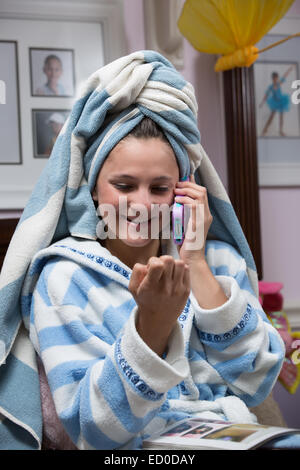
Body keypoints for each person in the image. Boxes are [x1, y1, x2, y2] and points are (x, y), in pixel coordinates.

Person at [0, 50, 294, 451]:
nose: (141, 204)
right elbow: (94, 432)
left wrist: (195, 262)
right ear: (92, 188)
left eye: (160, 188)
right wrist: (151, 327)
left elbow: (257, 381)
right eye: (123, 186)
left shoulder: (221, 261)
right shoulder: (63, 277)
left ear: (185, 188)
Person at [259, 65, 294, 137]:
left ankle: (281, 131)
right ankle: (265, 129)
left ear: (277, 78)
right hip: (275, 102)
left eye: (276, 78)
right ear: (272, 79)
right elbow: (266, 94)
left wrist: (289, 70)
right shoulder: (271, 87)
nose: (275, 79)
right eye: (274, 78)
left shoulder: (279, 83)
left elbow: (285, 76)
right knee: (271, 117)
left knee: (281, 116)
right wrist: (262, 103)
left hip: (281, 101)